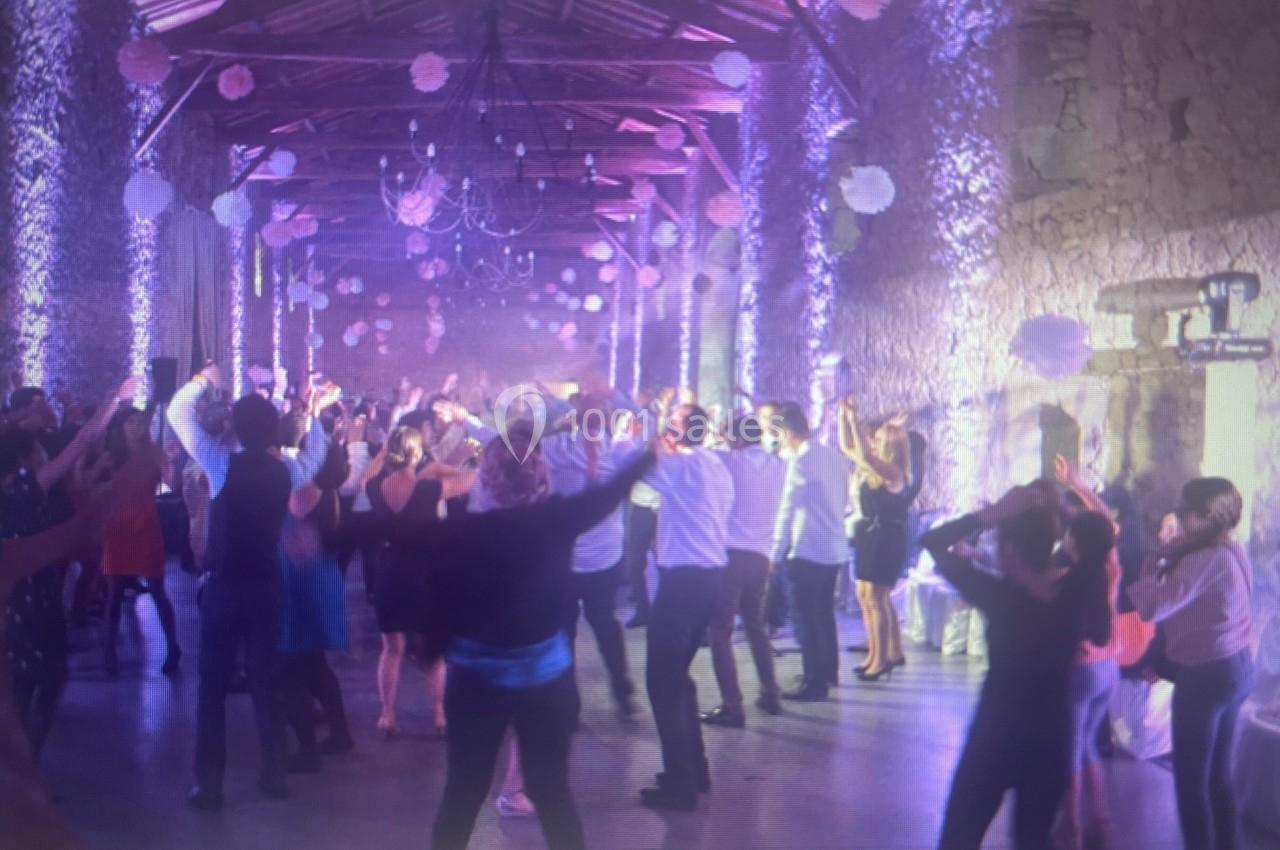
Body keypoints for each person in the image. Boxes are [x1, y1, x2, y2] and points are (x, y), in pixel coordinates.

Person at [397, 426, 655, 850]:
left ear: (485, 481)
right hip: (546, 681)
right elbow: (610, 493)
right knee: (552, 792)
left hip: (475, 683)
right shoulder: (554, 521)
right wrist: (650, 455)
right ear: (539, 480)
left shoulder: (461, 533)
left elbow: (396, 530)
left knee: (463, 792)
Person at [167, 364, 334, 811]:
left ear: (235, 426)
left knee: (212, 688)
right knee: (267, 684)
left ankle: (209, 785)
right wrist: (315, 414)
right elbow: (318, 454)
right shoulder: (287, 472)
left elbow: (177, 414)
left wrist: (202, 381)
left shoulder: (221, 463)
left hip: (225, 588)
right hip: (266, 588)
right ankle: (274, 775)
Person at [923, 485, 1113, 850]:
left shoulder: (999, 596)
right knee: (1032, 840)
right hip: (1051, 734)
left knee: (959, 837)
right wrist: (1061, 511)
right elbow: (1099, 541)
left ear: (1009, 550)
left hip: (996, 732)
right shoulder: (1076, 589)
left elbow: (932, 542)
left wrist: (991, 512)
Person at [2, 377, 136, 755]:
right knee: (47, 675)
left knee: (23, 678)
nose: (44, 453)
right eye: (38, 450)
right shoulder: (30, 487)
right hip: (33, 593)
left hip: (13, 592)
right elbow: (81, 442)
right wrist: (116, 398)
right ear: (25, 459)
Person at [1128, 477, 1253, 850]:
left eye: (1186, 511)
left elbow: (1151, 608)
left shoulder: (1206, 558)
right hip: (1235, 666)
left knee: (1190, 780)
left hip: (1206, 673)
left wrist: (1151, 560)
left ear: (1209, 516)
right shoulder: (1231, 547)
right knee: (1217, 775)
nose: (1179, 517)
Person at [636, 403, 735, 811]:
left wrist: (650, 442)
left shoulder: (680, 467)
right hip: (709, 578)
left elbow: (634, 473)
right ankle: (695, 769)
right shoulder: (715, 465)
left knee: (662, 680)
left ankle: (680, 784)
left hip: (683, 582)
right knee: (679, 677)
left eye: (672, 422)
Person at [366, 425, 472, 738]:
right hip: (425, 573)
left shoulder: (375, 487)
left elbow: (365, 477)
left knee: (391, 649)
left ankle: (387, 715)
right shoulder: (428, 490)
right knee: (433, 653)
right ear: (415, 453)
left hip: (389, 570)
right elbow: (472, 479)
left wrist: (384, 451)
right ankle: (439, 715)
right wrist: (441, 468)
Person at [1052, 456, 1123, 850]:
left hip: (1081, 669)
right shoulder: (1111, 568)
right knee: (1089, 745)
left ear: (1074, 542)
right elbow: (1106, 523)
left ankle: (1072, 827)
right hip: (1108, 666)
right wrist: (1078, 485)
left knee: (1070, 750)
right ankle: (1102, 821)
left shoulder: (1071, 576)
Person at [700, 414, 787, 727]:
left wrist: (716, 434)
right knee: (755, 626)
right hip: (760, 556)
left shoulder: (731, 461)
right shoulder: (779, 465)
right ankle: (770, 692)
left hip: (730, 556)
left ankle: (732, 706)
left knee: (720, 631)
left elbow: (702, 453)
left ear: (736, 439)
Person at [278, 439, 354, 773]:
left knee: (293, 668)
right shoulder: (327, 491)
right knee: (314, 663)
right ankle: (339, 734)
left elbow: (292, 522)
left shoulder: (306, 492)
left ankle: (308, 751)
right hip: (318, 579)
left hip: (301, 583)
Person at [771, 402, 852, 701]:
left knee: (804, 618)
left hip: (807, 547)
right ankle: (827, 672)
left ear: (788, 433)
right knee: (823, 613)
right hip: (833, 545)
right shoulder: (834, 456)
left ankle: (813, 682)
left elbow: (786, 509)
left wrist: (775, 552)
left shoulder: (801, 461)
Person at [838, 399, 915, 681]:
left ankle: (881, 660)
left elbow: (863, 454)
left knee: (877, 597)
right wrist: (843, 417)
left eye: (879, 439)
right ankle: (876, 653)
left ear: (890, 446)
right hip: (871, 534)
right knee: (866, 595)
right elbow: (848, 448)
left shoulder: (893, 472)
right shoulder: (876, 470)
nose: (874, 442)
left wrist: (854, 421)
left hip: (886, 537)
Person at [100, 406, 180, 677]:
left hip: (146, 525)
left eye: (140, 422)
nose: (136, 427)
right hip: (117, 528)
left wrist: (170, 463)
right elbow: (86, 481)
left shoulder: (155, 453)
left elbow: (173, 485)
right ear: (121, 427)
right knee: (114, 592)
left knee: (157, 590)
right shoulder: (112, 456)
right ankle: (109, 652)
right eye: (130, 422)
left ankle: (173, 647)